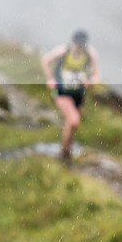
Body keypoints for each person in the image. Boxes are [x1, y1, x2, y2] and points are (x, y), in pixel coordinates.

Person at [41, 30, 101, 163]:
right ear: (73, 41)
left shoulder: (90, 54)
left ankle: (66, 151)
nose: (79, 47)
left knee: (72, 125)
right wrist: (50, 79)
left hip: (79, 94)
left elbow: (96, 75)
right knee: (74, 120)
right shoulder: (63, 51)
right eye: (77, 44)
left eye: (82, 45)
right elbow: (46, 60)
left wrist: (90, 82)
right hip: (61, 91)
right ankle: (64, 153)